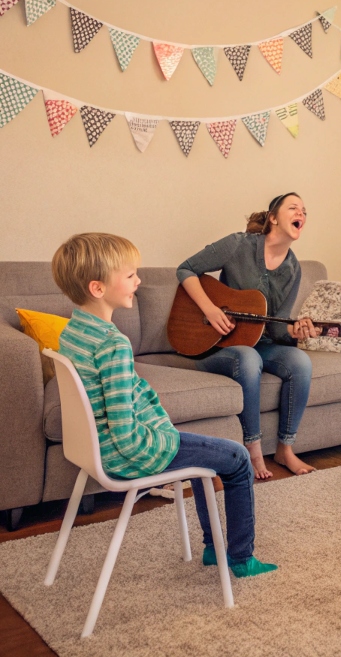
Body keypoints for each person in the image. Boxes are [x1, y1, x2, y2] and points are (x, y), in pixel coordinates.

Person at [52, 233, 277, 578]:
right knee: (237, 458)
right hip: (127, 453)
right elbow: (128, 438)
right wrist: (166, 439)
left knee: (207, 450)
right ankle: (241, 557)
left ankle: (212, 549)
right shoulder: (113, 344)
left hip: (95, 450)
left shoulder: (73, 332)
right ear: (98, 288)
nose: (138, 281)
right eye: (129, 275)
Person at [177, 192, 318, 479]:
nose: (300, 213)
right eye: (293, 207)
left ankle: (284, 449)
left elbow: (277, 328)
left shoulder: (294, 268)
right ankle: (253, 449)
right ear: (273, 218)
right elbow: (186, 269)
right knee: (248, 357)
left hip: (261, 344)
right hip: (220, 345)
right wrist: (211, 309)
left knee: (300, 362)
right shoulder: (238, 245)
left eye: (304, 210)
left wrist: (297, 331)